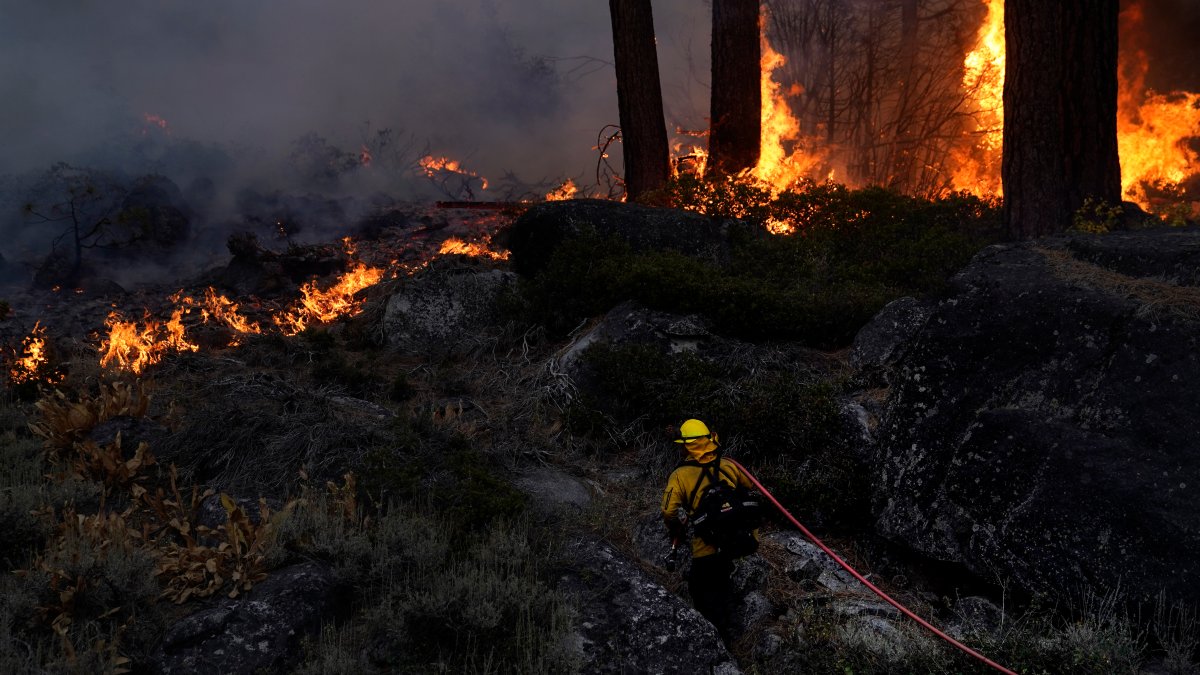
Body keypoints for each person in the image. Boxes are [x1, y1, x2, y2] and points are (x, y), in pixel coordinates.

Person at [660, 418, 755, 641]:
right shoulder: (730, 465)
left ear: (686, 446)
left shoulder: (680, 475)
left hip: (707, 548)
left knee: (703, 593)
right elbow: (749, 489)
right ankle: (731, 629)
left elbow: (667, 511)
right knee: (724, 586)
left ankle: (716, 641)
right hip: (737, 539)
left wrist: (675, 529)